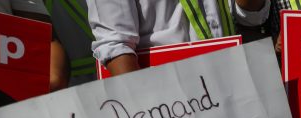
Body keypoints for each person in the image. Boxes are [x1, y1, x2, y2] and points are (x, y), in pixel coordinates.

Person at [86, 0, 270, 76]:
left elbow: (251, 16)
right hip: (172, 100)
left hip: (232, 77)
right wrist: (147, 115)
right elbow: (115, 45)